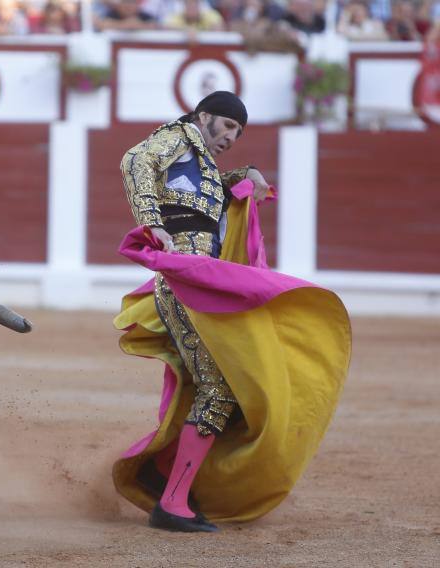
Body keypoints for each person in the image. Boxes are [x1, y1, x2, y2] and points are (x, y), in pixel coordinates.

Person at [113, 91, 351, 532]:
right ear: (204, 116)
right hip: (185, 281)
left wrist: (249, 174)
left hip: (204, 281)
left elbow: (214, 191)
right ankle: (172, 500)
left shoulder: (200, 163)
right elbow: (134, 161)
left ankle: (162, 472)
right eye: (226, 126)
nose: (231, 137)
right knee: (223, 387)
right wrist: (152, 222)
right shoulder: (180, 136)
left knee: (237, 382)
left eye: (238, 133)